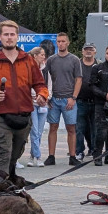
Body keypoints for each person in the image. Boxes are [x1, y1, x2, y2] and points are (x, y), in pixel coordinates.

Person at [0, 20, 49, 182]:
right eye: (6, 34)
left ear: (17, 37)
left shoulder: (28, 60)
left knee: (15, 155)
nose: (9, 37)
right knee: (4, 154)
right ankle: (2, 191)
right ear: (0, 37)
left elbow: (40, 84)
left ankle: (10, 184)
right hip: (1, 117)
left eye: (12, 34)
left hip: (24, 116)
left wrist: (42, 95)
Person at [44, 32, 82, 166]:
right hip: (54, 99)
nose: (61, 44)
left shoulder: (74, 60)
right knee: (52, 127)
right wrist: (47, 96)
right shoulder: (51, 60)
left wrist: (73, 97)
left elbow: (78, 80)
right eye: (59, 41)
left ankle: (72, 156)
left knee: (71, 128)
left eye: (63, 41)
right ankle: (51, 156)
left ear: (68, 43)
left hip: (69, 99)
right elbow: (45, 78)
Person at [75, 42, 97, 160]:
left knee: (95, 128)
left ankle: (94, 150)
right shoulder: (77, 64)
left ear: (95, 51)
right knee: (79, 128)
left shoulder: (99, 65)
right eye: (86, 49)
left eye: (91, 49)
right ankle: (79, 151)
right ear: (82, 51)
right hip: (80, 101)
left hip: (96, 102)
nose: (88, 51)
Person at [27, 46, 49, 167]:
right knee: (34, 130)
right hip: (32, 103)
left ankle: (32, 155)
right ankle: (38, 156)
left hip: (43, 104)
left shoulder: (45, 70)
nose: (44, 57)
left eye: (44, 55)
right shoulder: (28, 69)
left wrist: (46, 97)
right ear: (35, 56)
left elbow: (49, 85)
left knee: (39, 131)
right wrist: (31, 97)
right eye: (42, 54)